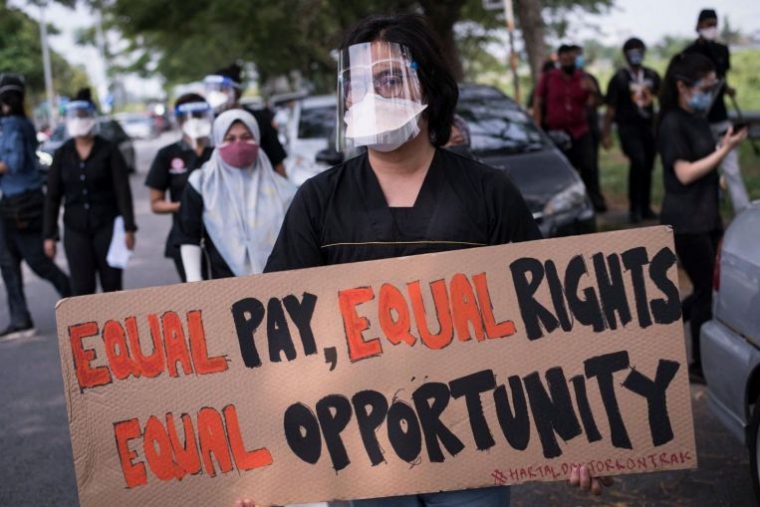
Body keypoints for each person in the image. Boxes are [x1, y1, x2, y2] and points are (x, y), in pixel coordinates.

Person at [261, 13, 612, 506]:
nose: (372, 95)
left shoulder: (489, 192)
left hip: (475, 437)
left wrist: (586, 432)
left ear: (428, 85)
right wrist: (259, 464)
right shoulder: (318, 200)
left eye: (389, 78)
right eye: (359, 82)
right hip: (367, 446)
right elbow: (277, 328)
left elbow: (550, 317)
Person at [657, 52, 747, 382]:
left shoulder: (696, 118)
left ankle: (663, 324)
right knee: (707, 289)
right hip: (686, 221)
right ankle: (696, 364)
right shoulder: (671, 123)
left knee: (708, 288)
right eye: (704, 86)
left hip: (707, 217)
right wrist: (725, 152)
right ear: (682, 86)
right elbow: (683, 173)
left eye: (713, 85)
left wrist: (722, 145)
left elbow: (704, 161)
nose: (708, 92)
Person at [177, 109, 296, 282]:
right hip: (224, 285)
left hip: (278, 284)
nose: (238, 144)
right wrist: (193, 280)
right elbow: (188, 235)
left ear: (257, 138)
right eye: (230, 139)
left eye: (246, 137)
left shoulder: (284, 190)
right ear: (217, 140)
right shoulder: (201, 184)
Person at [43, 88, 137, 296]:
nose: (79, 120)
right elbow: (52, 197)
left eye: (83, 115)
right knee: (82, 287)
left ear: (92, 117)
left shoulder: (109, 150)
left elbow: (122, 190)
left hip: (108, 227)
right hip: (75, 229)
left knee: (111, 284)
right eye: (74, 116)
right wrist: (49, 235)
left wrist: (129, 228)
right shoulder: (62, 153)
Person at [0, 73, 71, 340]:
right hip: (11, 201)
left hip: (24, 203)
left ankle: (74, 299)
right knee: (7, 263)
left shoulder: (16, 126)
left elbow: (14, 163)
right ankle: (20, 319)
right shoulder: (11, 124)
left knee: (38, 261)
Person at [683, 8, 750, 214]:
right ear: (698, 26)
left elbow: (721, 78)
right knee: (705, 167)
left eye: (714, 24)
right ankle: (707, 207)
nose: (711, 28)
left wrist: (725, 88)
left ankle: (743, 212)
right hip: (700, 118)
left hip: (720, 116)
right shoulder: (690, 52)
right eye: (707, 24)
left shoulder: (721, 50)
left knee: (732, 167)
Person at [145, 93, 214, 282]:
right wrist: (185, 206)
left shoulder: (219, 152)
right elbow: (156, 203)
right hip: (184, 235)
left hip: (222, 236)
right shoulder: (167, 154)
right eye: (190, 117)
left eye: (199, 115)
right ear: (179, 119)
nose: (195, 121)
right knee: (197, 296)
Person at [533, 44, 606, 212]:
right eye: (564, 57)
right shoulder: (549, 77)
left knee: (588, 166)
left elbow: (594, 104)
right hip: (556, 132)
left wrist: (592, 91)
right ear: (559, 59)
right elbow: (538, 101)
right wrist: (537, 126)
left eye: (571, 57)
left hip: (580, 130)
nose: (568, 60)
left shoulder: (584, 78)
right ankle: (565, 206)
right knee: (564, 169)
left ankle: (593, 202)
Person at [602, 37, 662, 223]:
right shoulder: (619, 78)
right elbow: (610, 108)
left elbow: (664, 99)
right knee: (638, 162)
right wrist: (606, 133)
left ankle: (645, 206)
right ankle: (633, 208)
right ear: (625, 54)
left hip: (648, 128)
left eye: (639, 49)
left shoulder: (652, 75)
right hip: (628, 128)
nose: (636, 54)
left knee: (649, 164)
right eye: (631, 50)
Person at [203, 64, 288, 177]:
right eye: (213, 90)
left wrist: (284, 188)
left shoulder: (259, 119)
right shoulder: (208, 124)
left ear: (237, 92)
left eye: (222, 89)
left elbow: (277, 162)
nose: (216, 95)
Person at [571, 44, 605, 213]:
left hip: (590, 129)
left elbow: (599, 101)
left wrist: (591, 91)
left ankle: (596, 199)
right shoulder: (565, 80)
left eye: (580, 55)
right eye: (575, 55)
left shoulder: (589, 78)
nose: (578, 58)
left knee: (591, 167)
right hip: (573, 130)